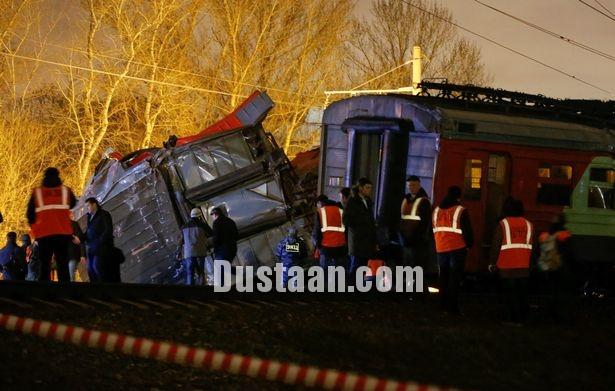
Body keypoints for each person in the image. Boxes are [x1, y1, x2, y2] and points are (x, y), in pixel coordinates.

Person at [26, 167, 77, 282]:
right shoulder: (66, 191)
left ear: (44, 177)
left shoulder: (37, 192)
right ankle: (64, 290)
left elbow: (29, 214)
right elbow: (73, 203)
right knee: (63, 263)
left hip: (44, 234)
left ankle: (44, 290)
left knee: (44, 263)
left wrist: (34, 229)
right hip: (63, 233)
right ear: (58, 176)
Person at [489, 198, 534, 324]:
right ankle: (523, 318)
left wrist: (492, 263)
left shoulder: (503, 224)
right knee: (522, 294)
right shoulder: (529, 224)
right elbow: (531, 246)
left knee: (510, 294)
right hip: (524, 265)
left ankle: (512, 318)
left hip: (506, 266)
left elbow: (496, 245)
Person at [432, 185, 473, 314]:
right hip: (457, 248)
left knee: (443, 277)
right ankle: (452, 307)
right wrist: (469, 245)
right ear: (458, 197)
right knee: (454, 278)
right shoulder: (460, 210)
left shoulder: (436, 210)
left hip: (440, 248)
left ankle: (442, 305)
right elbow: (467, 231)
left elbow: (431, 229)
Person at [343, 177, 378, 284]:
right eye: (367, 188)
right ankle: (351, 288)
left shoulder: (367, 201)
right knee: (356, 265)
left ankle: (357, 288)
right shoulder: (353, 201)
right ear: (360, 188)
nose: (369, 190)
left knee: (362, 265)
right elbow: (346, 220)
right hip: (357, 240)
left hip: (366, 240)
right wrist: (362, 223)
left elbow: (371, 222)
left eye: (370, 188)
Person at [538, 213, 571, 316]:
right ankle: (558, 313)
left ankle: (551, 310)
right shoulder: (565, 234)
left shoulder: (546, 234)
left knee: (552, 289)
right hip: (560, 265)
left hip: (548, 265)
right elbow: (570, 252)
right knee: (560, 290)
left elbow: (538, 250)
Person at [312, 194, 347, 289]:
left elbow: (316, 233)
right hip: (341, 249)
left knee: (325, 278)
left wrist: (318, 247)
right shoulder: (341, 210)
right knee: (339, 277)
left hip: (326, 250)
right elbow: (347, 230)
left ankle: (326, 299)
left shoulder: (321, 212)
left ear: (319, 203)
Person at [77, 198, 115, 282]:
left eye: (88, 206)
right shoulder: (89, 217)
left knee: (98, 268)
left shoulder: (104, 214)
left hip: (101, 249)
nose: (87, 208)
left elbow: (108, 230)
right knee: (91, 270)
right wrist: (80, 239)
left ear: (94, 205)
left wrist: (99, 242)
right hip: (91, 248)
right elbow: (88, 232)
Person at [400, 176, 432, 270]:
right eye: (409, 185)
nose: (410, 187)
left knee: (416, 266)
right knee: (407, 266)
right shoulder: (406, 199)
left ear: (419, 185)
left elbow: (425, 223)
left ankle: (413, 284)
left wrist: (415, 237)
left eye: (413, 185)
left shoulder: (424, 201)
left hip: (417, 242)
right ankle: (408, 283)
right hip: (406, 239)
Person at [180, 208, 213, 285]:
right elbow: (211, 233)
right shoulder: (202, 225)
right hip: (200, 252)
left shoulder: (184, 227)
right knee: (201, 272)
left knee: (190, 273)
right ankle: (202, 288)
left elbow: (181, 241)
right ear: (199, 216)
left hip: (188, 253)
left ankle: (191, 292)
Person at [69, 213, 87, 282]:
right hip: (64, 257)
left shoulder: (74, 224)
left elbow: (80, 240)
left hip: (72, 255)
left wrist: (83, 255)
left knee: (71, 276)